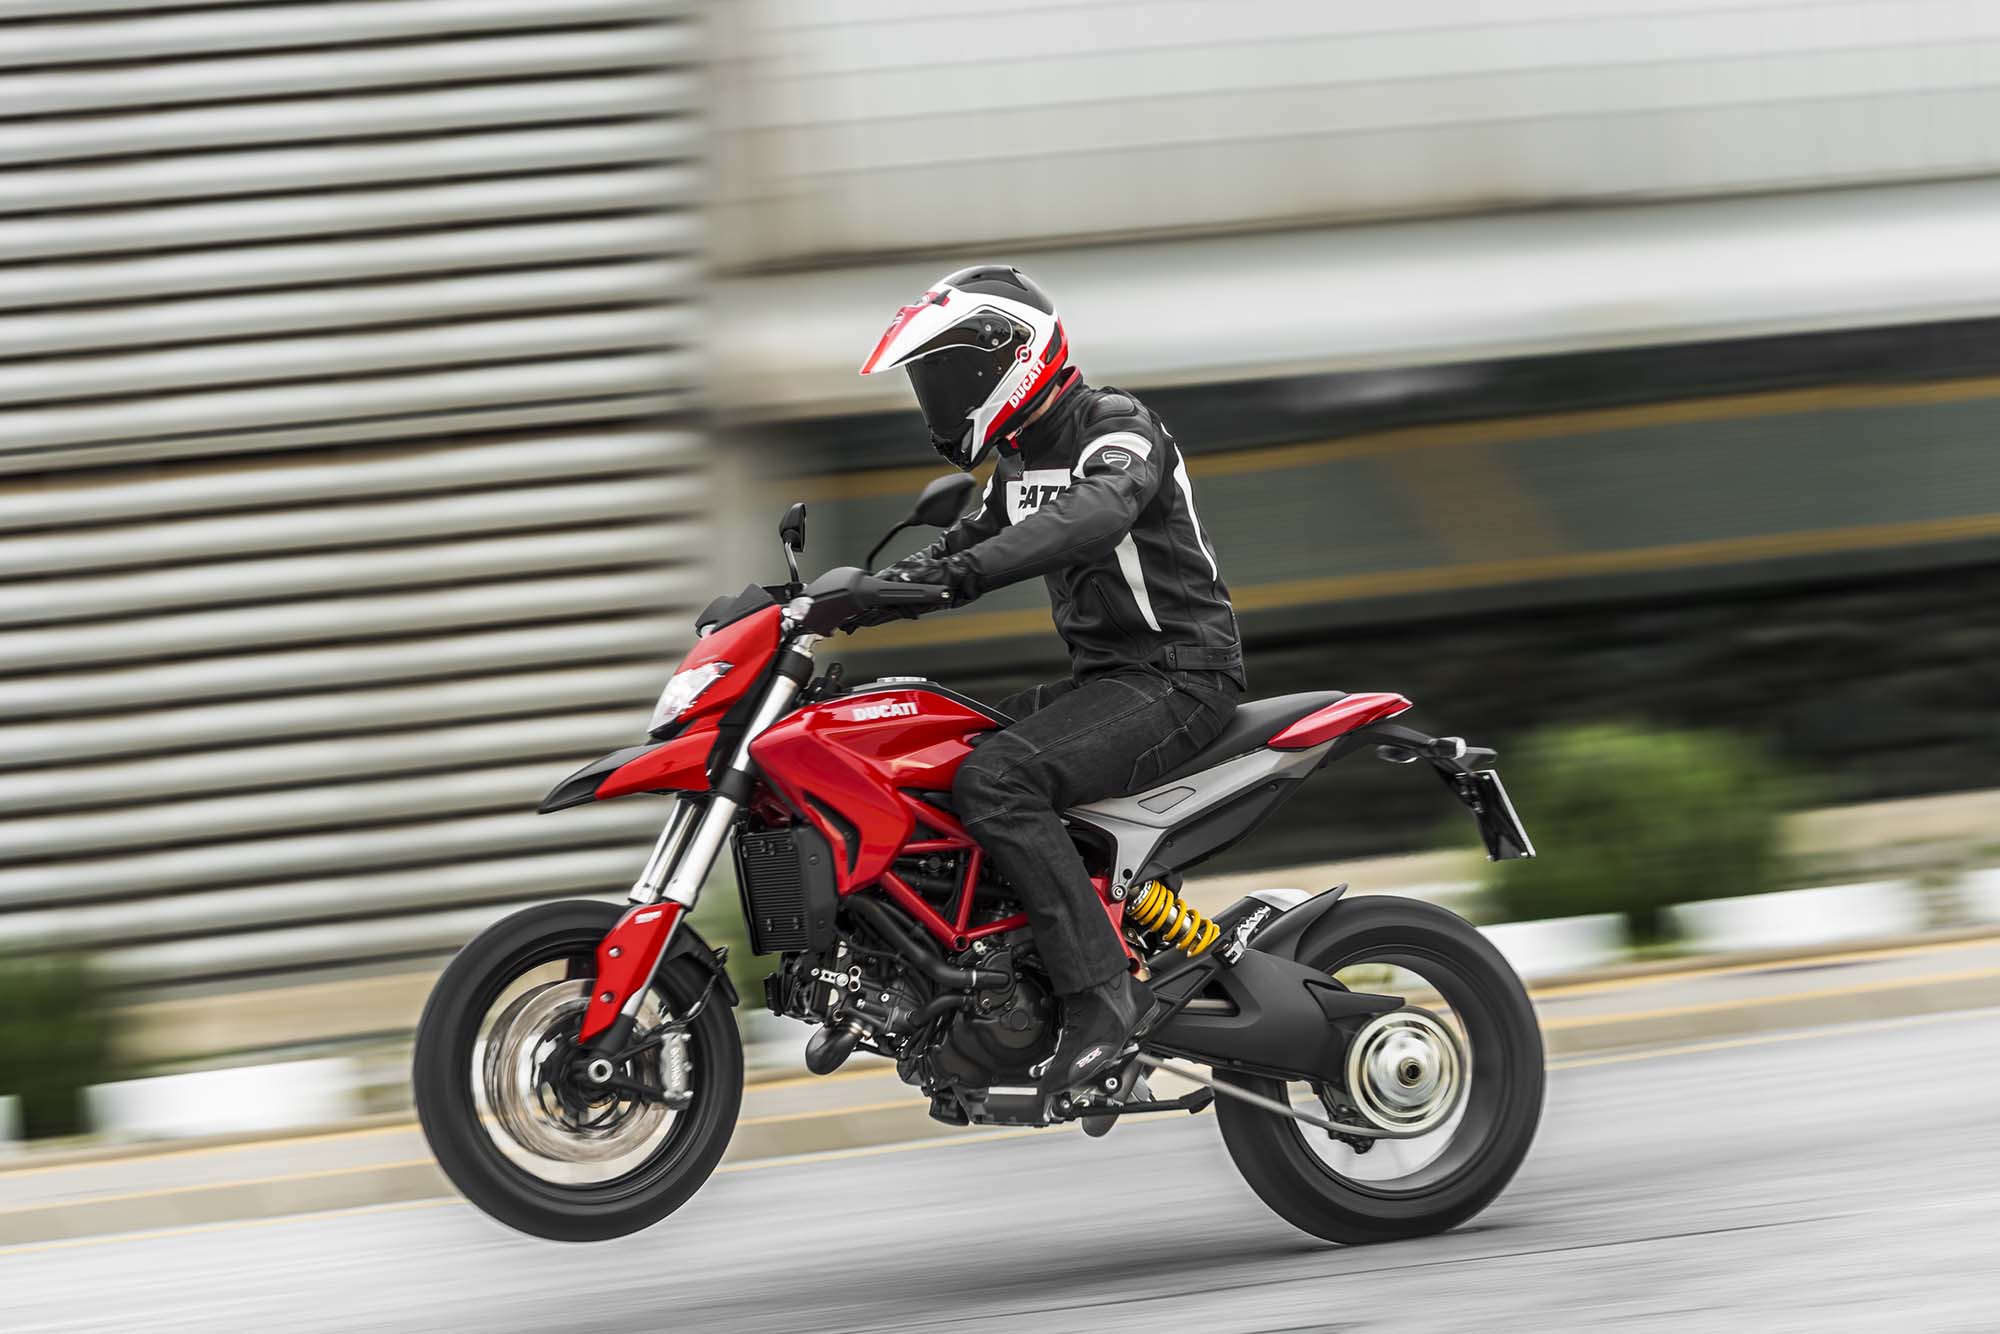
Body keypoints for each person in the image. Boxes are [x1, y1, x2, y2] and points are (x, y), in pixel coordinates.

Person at [858, 265, 1246, 1103]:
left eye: (947, 377)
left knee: (998, 780)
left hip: (1180, 677)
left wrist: (958, 576)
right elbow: (952, 551)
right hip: (1109, 682)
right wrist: (834, 600)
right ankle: (975, 987)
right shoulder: (1020, 465)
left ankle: (1103, 995)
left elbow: (1098, 509)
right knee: (937, 757)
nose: (938, 399)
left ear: (1013, 359)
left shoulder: (1116, 425)